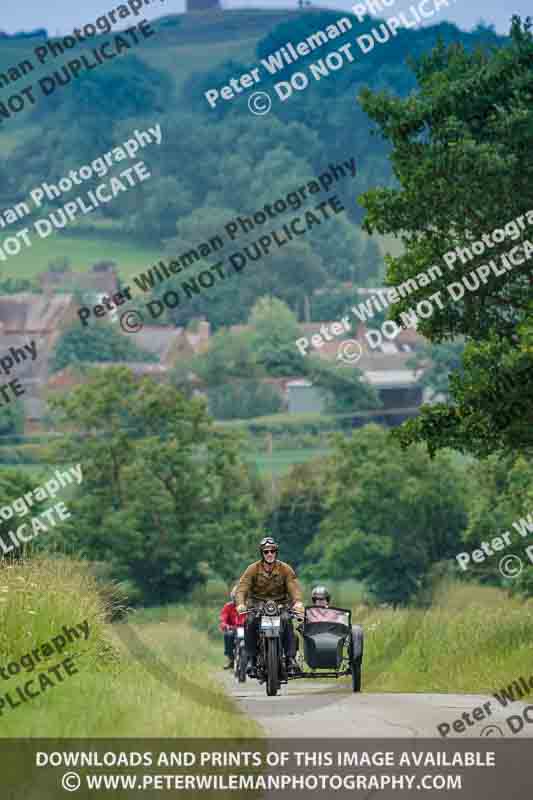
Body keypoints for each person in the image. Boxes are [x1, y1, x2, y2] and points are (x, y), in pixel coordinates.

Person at [236, 537, 304, 676]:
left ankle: (290, 658)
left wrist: (297, 601)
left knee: (286, 620)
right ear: (262, 553)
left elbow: (293, 586)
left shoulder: (285, 569)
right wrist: (241, 604)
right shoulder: (252, 569)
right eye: (266, 551)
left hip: (280, 605)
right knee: (250, 621)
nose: (270, 554)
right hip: (257, 605)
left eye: (272, 551)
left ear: (276, 552)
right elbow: (242, 588)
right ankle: (252, 659)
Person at [306, 585, 364, 662]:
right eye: (317, 599)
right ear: (314, 600)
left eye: (323, 599)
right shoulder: (309, 613)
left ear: (327, 600)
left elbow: (341, 624)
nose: (320, 601)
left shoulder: (334, 613)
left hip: (333, 639)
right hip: (314, 639)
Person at [219, 585, 246, 669]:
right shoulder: (228, 606)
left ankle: (254, 659)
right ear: (232, 597)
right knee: (228, 635)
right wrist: (225, 625)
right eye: (235, 597)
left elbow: (250, 617)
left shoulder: (247, 606)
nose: (237, 600)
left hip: (245, 629)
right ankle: (230, 659)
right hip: (233, 629)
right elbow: (223, 618)